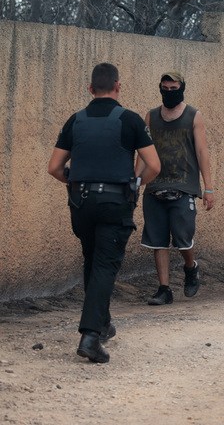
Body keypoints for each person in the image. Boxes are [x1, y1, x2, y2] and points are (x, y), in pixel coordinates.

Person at [48, 63, 161, 363]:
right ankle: (90, 337)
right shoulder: (131, 120)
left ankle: (103, 322)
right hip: (114, 203)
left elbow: (54, 168)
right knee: (104, 266)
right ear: (118, 86)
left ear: (90, 89)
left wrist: (74, 181)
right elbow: (154, 165)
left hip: (80, 204)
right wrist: (135, 185)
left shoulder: (76, 120)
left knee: (93, 260)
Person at [138, 71, 214, 306]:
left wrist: (208, 188)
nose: (169, 92)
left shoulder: (194, 115)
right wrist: (136, 181)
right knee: (157, 240)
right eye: (165, 88)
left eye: (174, 88)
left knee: (183, 237)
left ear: (182, 88)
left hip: (184, 185)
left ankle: (190, 268)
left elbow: (202, 152)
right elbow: (143, 150)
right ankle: (164, 289)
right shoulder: (150, 116)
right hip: (155, 185)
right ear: (159, 88)